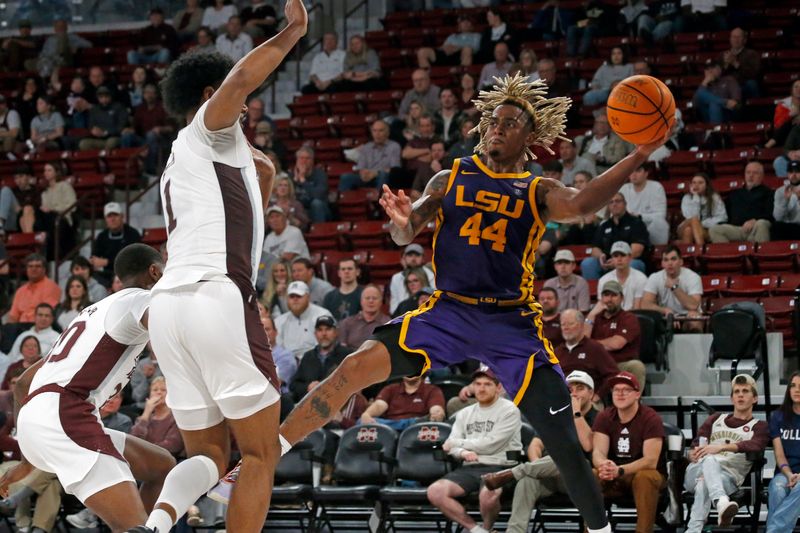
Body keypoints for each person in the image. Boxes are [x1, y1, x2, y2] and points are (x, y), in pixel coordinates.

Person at [231, 73, 669, 533]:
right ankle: (262, 457)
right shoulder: (449, 177)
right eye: (492, 121)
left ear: (529, 136)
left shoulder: (537, 190)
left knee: (561, 440)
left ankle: (600, 530)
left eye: (509, 122)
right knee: (352, 368)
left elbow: (582, 204)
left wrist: (639, 153)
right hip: (449, 311)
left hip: (511, 322)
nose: (496, 128)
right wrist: (401, 224)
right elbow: (405, 233)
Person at [145, 3, 308, 531]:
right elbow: (240, 78)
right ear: (206, 96)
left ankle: (157, 523)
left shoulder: (188, 156)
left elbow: (251, 194)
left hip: (170, 309)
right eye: (234, 98)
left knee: (209, 459)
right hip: (215, 295)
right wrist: (293, 32)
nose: (246, 104)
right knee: (261, 454)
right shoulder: (206, 126)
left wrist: (264, 167)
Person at [0, 244, 180, 532]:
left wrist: (28, 457)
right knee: (133, 527)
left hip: (42, 413)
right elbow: (168, 330)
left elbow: (23, 383)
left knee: (162, 466)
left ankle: (143, 525)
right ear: (155, 272)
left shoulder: (90, 312)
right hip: (66, 413)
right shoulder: (141, 298)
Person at [481, 370, 599, 533]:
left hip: (582, 477)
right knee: (527, 480)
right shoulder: (556, 415)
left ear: (591, 393)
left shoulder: (599, 417)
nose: (574, 392)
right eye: (570, 388)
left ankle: (513, 473)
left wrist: (575, 413)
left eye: (580, 388)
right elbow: (535, 445)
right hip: (552, 475)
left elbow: (588, 446)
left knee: (568, 459)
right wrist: (538, 467)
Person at [427, 369, 521, 533]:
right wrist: (462, 453)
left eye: (487, 384)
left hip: (501, 466)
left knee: (488, 493)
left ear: (498, 388)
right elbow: (452, 449)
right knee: (435, 491)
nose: (481, 389)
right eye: (477, 384)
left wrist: (457, 443)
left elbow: (492, 444)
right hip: (470, 467)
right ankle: (477, 530)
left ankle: (488, 527)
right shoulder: (464, 414)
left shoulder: (510, 410)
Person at [683, 374, 769, 532]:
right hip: (695, 473)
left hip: (727, 478)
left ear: (755, 398)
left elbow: (755, 445)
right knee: (709, 460)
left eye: (745, 391)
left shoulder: (759, 426)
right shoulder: (715, 419)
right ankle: (722, 502)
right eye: (736, 392)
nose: (740, 395)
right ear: (732, 398)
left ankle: (693, 530)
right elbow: (696, 445)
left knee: (705, 483)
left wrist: (721, 447)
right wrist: (692, 454)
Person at [592, 371, 666, 533]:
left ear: (637, 395)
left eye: (626, 390)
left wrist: (620, 470)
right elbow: (598, 451)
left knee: (644, 477)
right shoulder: (604, 416)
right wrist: (604, 466)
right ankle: (593, 530)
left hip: (646, 474)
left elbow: (650, 461)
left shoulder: (650, 418)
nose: (620, 394)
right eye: (616, 390)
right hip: (615, 473)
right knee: (592, 474)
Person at [585, 281, 645, 390]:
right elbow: (582, 342)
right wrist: (591, 315)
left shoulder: (628, 318)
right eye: (606, 295)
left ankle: (634, 403)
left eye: (614, 295)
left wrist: (591, 344)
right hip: (597, 366)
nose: (609, 299)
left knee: (636, 366)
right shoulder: (594, 318)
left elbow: (616, 344)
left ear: (621, 298)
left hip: (620, 364)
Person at [580, 192, 649, 280]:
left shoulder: (636, 223)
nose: (614, 204)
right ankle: (596, 292)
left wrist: (617, 261)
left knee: (634, 264)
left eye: (618, 201)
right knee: (588, 263)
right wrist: (601, 256)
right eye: (611, 202)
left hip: (628, 261)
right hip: (608, 263)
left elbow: (637, 250)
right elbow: (595, 248)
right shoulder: (604, 226)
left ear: (625, 204)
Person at [555, 310, 618, 396]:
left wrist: (598, 395)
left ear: (581, 325)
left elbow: (612, 375)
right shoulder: (557, 352)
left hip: (589, 399)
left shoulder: (595, 348)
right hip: (563, 399)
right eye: (563, 324)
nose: (566, 327)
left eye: (570, 324)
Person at [766, 371, 800, 533]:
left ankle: (773, 530)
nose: (796, 390)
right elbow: (779, 455)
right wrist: (789, 474)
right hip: (785, 472)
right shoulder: (778, 417)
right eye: (793, 386)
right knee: (778, 489)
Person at [642, 245, 704, 332]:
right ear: (662, 263)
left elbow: (693, 306)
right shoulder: (655, 277)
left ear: (681, 262)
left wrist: (674, 288)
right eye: (666, 260)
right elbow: (645, 305)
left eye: (673, 259)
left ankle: (697, 345)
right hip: (665, 316)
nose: (669, 263)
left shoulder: (693, 277)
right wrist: (665, 311)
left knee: (695, 318)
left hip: (686, 315)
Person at [289, 315, 351, 402]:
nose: (324, 334)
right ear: (315, 334)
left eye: (328, 329)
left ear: (336, 332)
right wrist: (308, 387)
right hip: (309, 406)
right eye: (320, 330)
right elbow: (294, 385)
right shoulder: (308, 356)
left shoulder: (347, 355)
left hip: (338, 404)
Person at [709, 161, 773, 243]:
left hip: (756, 228)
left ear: (762, 176)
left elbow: (771, 215)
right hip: (737, 229)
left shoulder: (769, 193)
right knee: (714, 229)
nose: (751, 175)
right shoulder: (735, 194)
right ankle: (731, 254)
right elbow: (725, 214)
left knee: (762, 223)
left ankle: (760, 254)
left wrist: (755, 220)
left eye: (755, 173)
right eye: (748, 172)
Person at [360, 374, 445, 430]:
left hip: (417, 430)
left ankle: (411, 423)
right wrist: (367, 414)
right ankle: (409, 423)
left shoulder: (432, 390)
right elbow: (379, 405)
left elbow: (436, 409)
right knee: (360, 422)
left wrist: (437, 413)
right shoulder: (390, 389)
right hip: (392, 428)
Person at [274, 281, 334, 359]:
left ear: (308, 297)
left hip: (316, 360)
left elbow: (326, 345)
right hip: (289, 362)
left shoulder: (322, 315)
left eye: (299, 296)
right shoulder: (279, 321)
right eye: (292, 296)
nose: (295, 299)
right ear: (287, 299)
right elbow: (277, 350)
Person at [338, 119, 401, 191]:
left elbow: (394, 169)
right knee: (345, 177)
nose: (377, 134)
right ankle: (343, 200)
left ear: (388, 133)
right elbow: (361, 167)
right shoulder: (366, 147)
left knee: (383, 175)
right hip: (367, 177)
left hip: (382, 177)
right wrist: (363, 173)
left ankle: (379, 200)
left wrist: (376, 173)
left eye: (381, 130)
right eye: (374, 131)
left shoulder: (394, 146)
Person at [258, 205, 310, 290]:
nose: (275, 220)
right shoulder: (269, 238)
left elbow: (287, 257)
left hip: (295, 270)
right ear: (268, 222)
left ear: (285, 218)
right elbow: (265, 259)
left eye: (278, 216)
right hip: (278, 271)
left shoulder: (294, 232)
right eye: (271, 217)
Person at [91, 202, 142, 287]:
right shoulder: (101, 236)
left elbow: (133, 259)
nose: (112, 219)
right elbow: (94, 259)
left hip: (129, 273)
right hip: (106, 276)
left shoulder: (133, 234)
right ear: (105, 219)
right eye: (109, 216)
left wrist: (107, 262)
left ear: (122, 216)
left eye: (115, 215)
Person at [131, 377, 184, 458]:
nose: (159, 392)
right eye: (155, 390)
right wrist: (146, 413)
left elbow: (173, 446)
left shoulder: (175, 418)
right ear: (150, 395)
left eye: (163, 390)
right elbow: (133, 441)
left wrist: (142, 449)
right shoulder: (143, 418)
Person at [619, 163, 669, 246]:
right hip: (628, 227)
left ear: (646, 173)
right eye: (631, 171)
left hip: (649, 227)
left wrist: (639, 217)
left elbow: (661, 215)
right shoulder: (623, 189)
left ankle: (657, 250)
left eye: (638, 171)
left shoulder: (656, 187)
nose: (634, 174)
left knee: (660, 223)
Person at [7, 253, 61, 324]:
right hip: (20, 328)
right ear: (26, 269)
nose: (33, 269)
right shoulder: (20, 291)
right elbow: (13, 317)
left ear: (44, 269)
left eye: (37, 266)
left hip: (40, 327)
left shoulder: (51, 286)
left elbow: (46, 313)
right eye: (30, 266)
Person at [678, 172, 728, 246]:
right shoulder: (687, 198)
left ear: (706, 185)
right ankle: (701, 248)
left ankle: (691, 254)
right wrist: (696, 197)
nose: (696, 185)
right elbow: (690, 217)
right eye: (694, 182)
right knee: (693, 220)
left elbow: (722, 217)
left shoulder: (714, 197)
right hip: (686, 225)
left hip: (706, 229)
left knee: (688, 231)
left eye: (700, 182)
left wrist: (702, 224)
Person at [79, 86, 130, 150]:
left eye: (106, 97)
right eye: (101, 97)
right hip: (99, 139)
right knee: (83, 143)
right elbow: (91, 125)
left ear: (110, 97)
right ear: (98, 98)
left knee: (111, 142)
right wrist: (93, 130)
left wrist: (106, 132)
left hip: (115, 137)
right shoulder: (94, 110)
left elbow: (121, 126)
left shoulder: (119, 107)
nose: (104, 99)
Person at [388, 243, 435, 314]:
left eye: (417, 255)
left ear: (423, 258)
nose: (413, 259)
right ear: (404, 258)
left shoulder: (431, 275)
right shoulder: (396, 278)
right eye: (410, 255)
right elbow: (393, 308)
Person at [693, 60, 740, 125]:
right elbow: (695, 103)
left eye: (712, 68)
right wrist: (705, 82)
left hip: (726, 113)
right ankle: (724, 101)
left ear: (719, 69)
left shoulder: (729, 80)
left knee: (714, 105)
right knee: (700, 93)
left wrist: (721, 104)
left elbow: (736, 104)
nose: (710, 72)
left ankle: (715, 133)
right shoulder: (703, 85)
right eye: (707, 69)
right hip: (707, 116)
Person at [543, 249, 590, 313]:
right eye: (559, 263)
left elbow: (583, 310)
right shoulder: (549, 284)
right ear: (555, 266)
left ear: (573, 266)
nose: (563, 266)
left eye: (567, 263)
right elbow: (547, 311)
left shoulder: (581, 283)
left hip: (575, 321)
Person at [291, 146, 330, 223]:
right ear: (297, 160)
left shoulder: (320, 174)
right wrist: (295, 180)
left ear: (312, 161)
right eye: (301, 158)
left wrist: (303, 180)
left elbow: (318, 195)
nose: (304, 161)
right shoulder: (290, 175)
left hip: (319, 209)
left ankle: (318, 231)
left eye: (307, 158)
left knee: (316, 203)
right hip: (299, 209)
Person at [721, 28, 761, 99]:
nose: (736, 39)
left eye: (739, 37)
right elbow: (716, 74)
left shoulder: (752, 54)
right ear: (730, 39)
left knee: (752, 84)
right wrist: (726, 65)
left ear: (744, 40)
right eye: (734, 37)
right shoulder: (723, 54)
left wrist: (736, 64)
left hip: (744, 85)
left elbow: (754, 73)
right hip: (727, 87)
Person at [773, 160, 800, 240]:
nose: (794, 175)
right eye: (791, 172)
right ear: (787, 174)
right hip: (789, 228)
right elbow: (778, 217)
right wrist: (785, 200)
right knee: (776, 226)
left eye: (797, 172)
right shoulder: (780, 191)